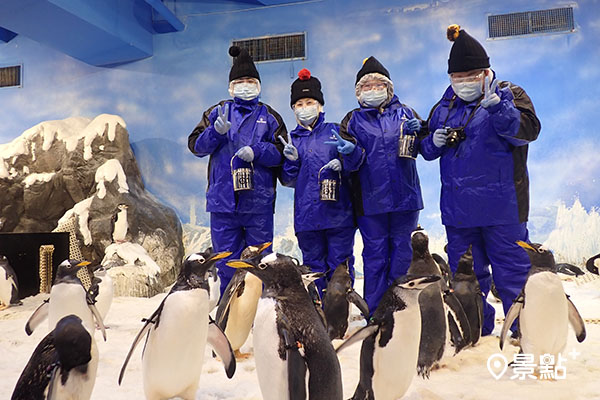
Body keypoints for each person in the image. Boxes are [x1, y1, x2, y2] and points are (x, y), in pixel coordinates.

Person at [420, 25, 541, 336]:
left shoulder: (510, 95)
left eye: (472, 74)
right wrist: (433, 141)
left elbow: (528, 132)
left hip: (504, 209)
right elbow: (426, 150)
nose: (464, 82)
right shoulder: (444, 106)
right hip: (460, 212)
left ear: (487, 71)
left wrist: (499, 109)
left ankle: (524, 332)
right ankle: (475, 332)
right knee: (466, 278)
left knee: (512, 272)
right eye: (458, 77)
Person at [329, 56, 425, 313]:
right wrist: (349, 152)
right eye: (366, 86)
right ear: (358, 92)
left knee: (402, 255)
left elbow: (425, 147)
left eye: (378, 84)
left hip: (406, 198)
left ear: (388, 87)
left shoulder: (407, 112)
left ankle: (402, 310)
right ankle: (375, 311)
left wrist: (423, 129)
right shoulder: (352, 120)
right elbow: (350, 165)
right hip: (369, 201)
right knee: (375, 257)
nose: (373, 90)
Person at [187, 46, 286, 294]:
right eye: (240, 81)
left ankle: (262, 314)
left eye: (250, 81)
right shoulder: (216, 112)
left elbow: (281, 154)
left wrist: (258, 151)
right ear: (231, 86)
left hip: (258, 203)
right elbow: (196, 147)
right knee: (227, 265)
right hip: (223, 203)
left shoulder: (270, 116)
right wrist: (214, 133)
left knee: (261, 265)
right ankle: (230, 315)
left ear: (259, 85)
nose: (245, 85)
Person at [280, 68, 357, 297]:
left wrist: (345, 161)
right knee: (313, 269)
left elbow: (355, 166)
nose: (305, 108)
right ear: (293, 108)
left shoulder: (336, 131)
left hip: (338, 215)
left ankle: (340, 315)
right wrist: (292, 162)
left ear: (320, 105)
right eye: (299, 104)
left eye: (310, 102)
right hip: (307, 217)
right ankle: (319, 316)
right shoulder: (290, 139)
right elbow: (287, 180)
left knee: (340, 268)